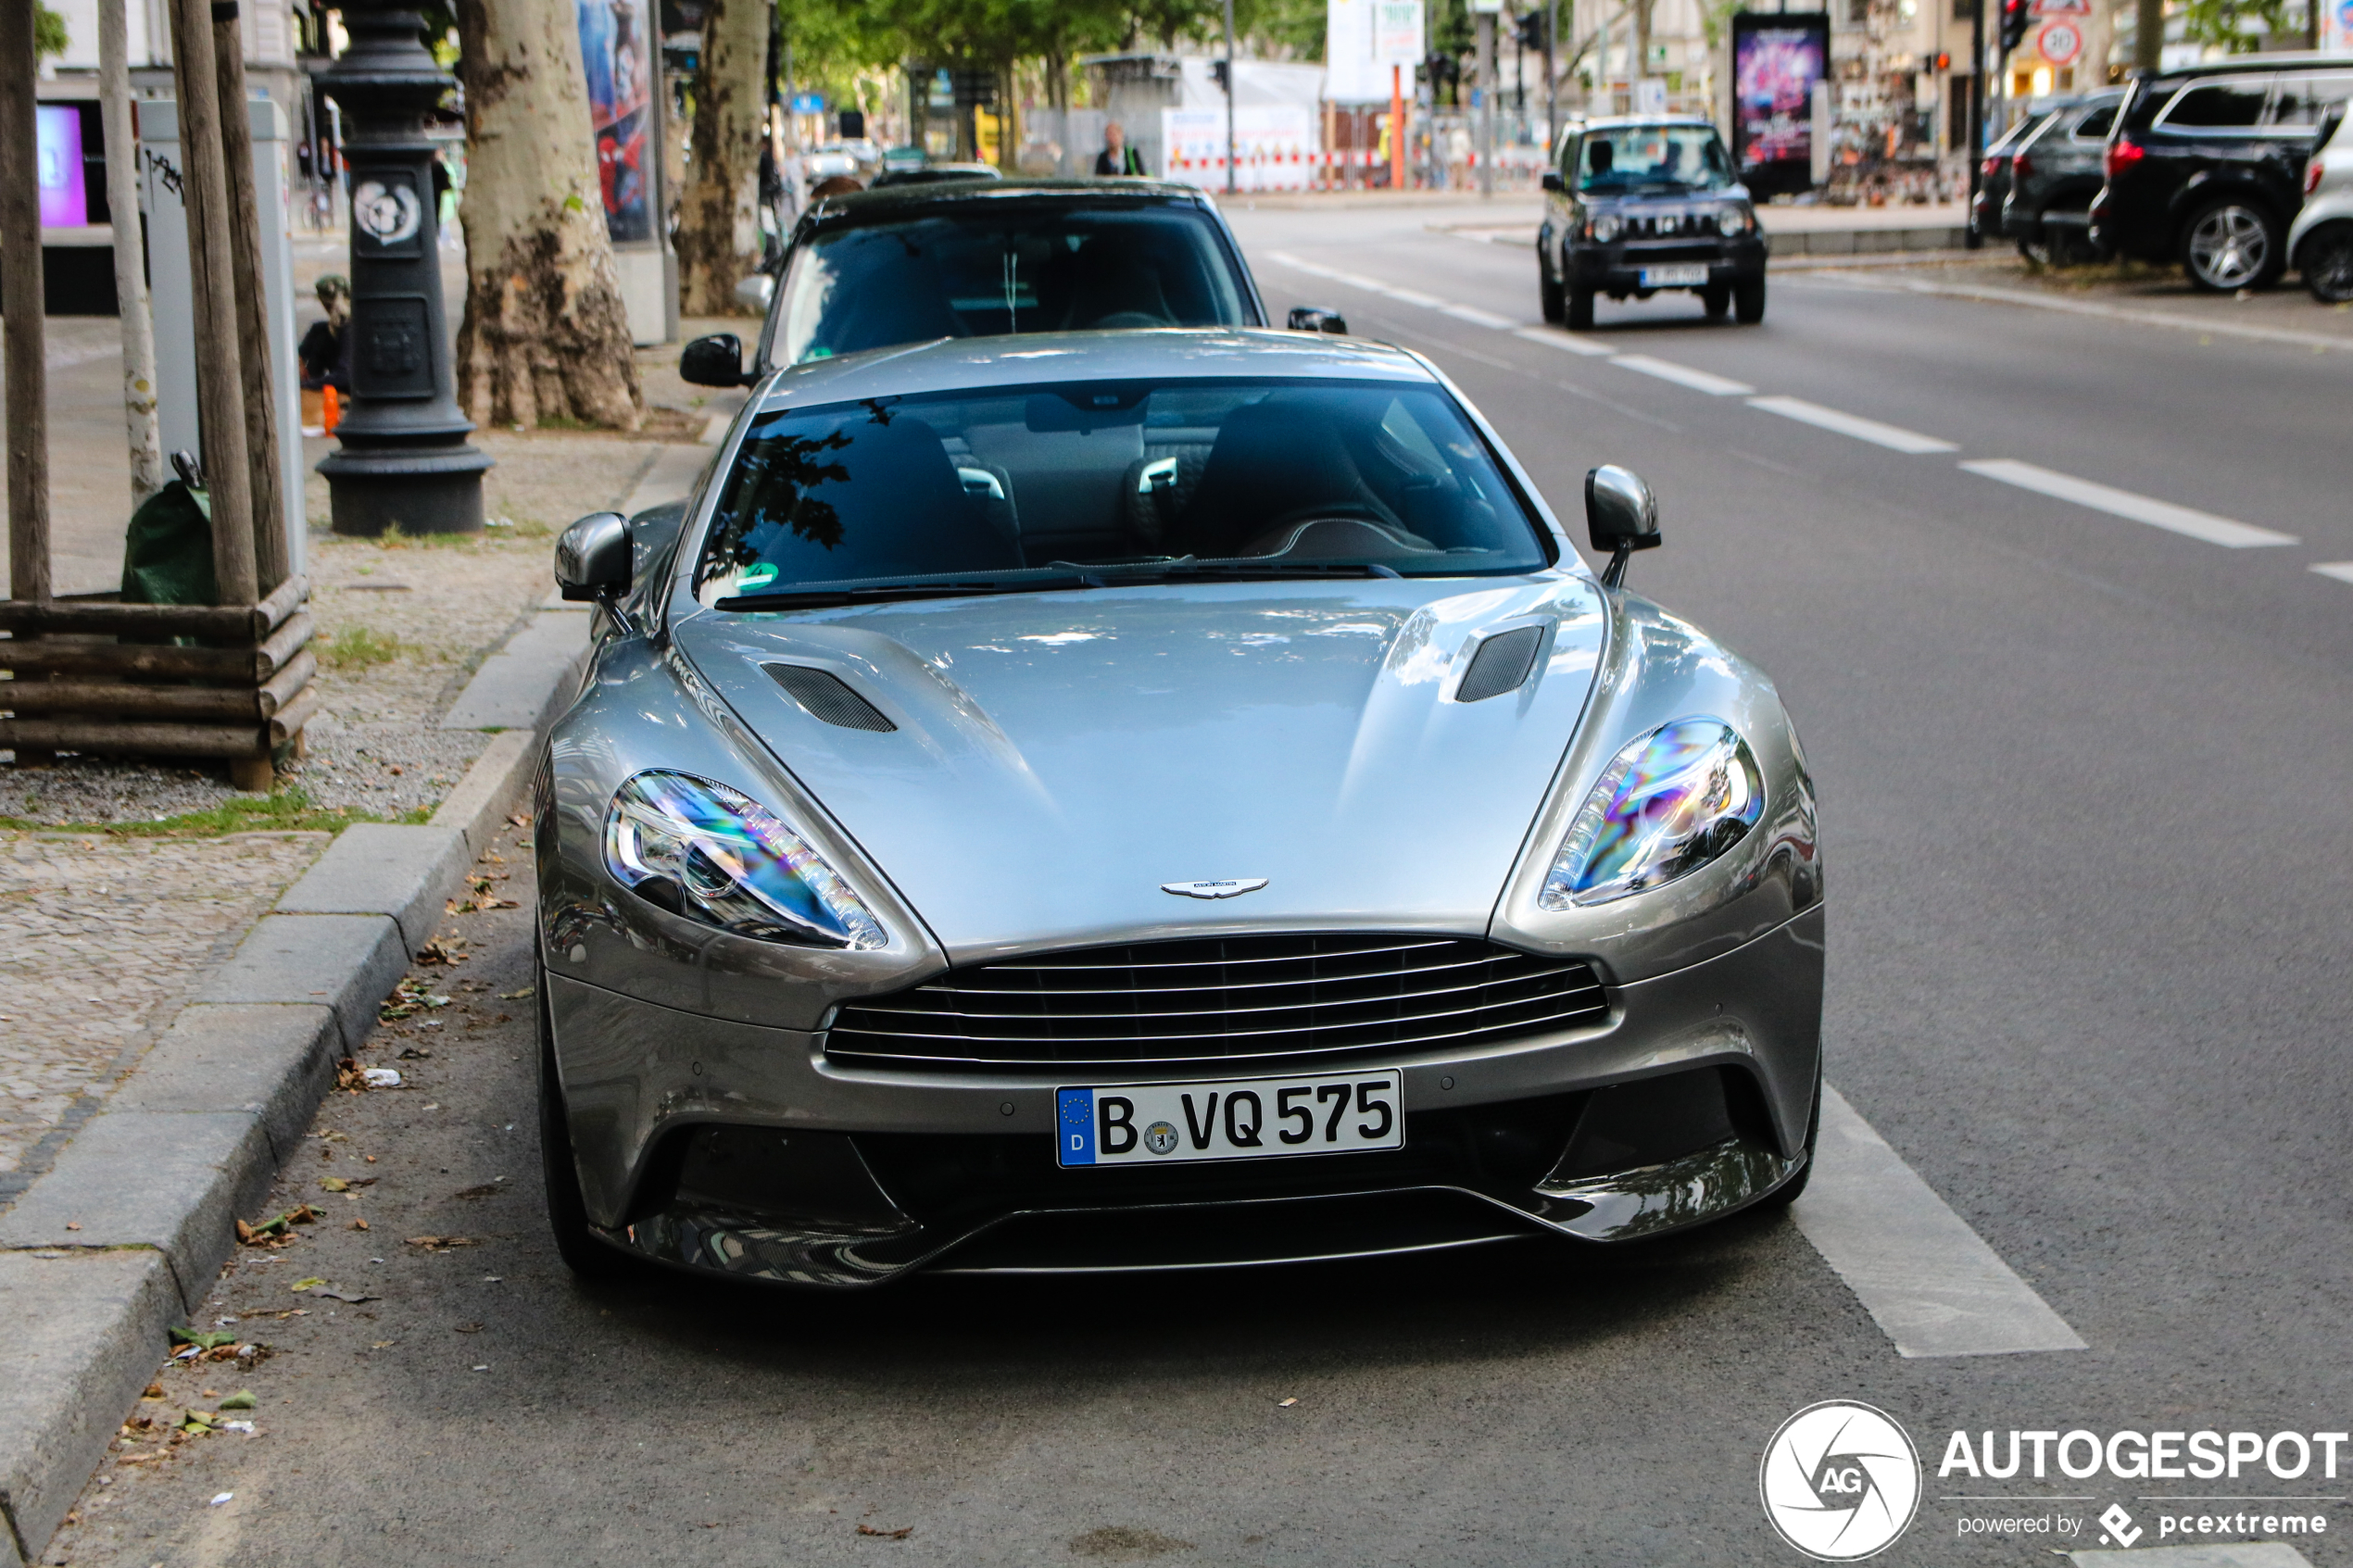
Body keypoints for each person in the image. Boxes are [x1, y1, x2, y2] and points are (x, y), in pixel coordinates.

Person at [298, 274, 352, 393]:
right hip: (326, 385)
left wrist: (307, 385)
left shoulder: (351, 330)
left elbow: (344, 377)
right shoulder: (320, 330)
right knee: (319, 331)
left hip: (349, 392)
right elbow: (299, 355)